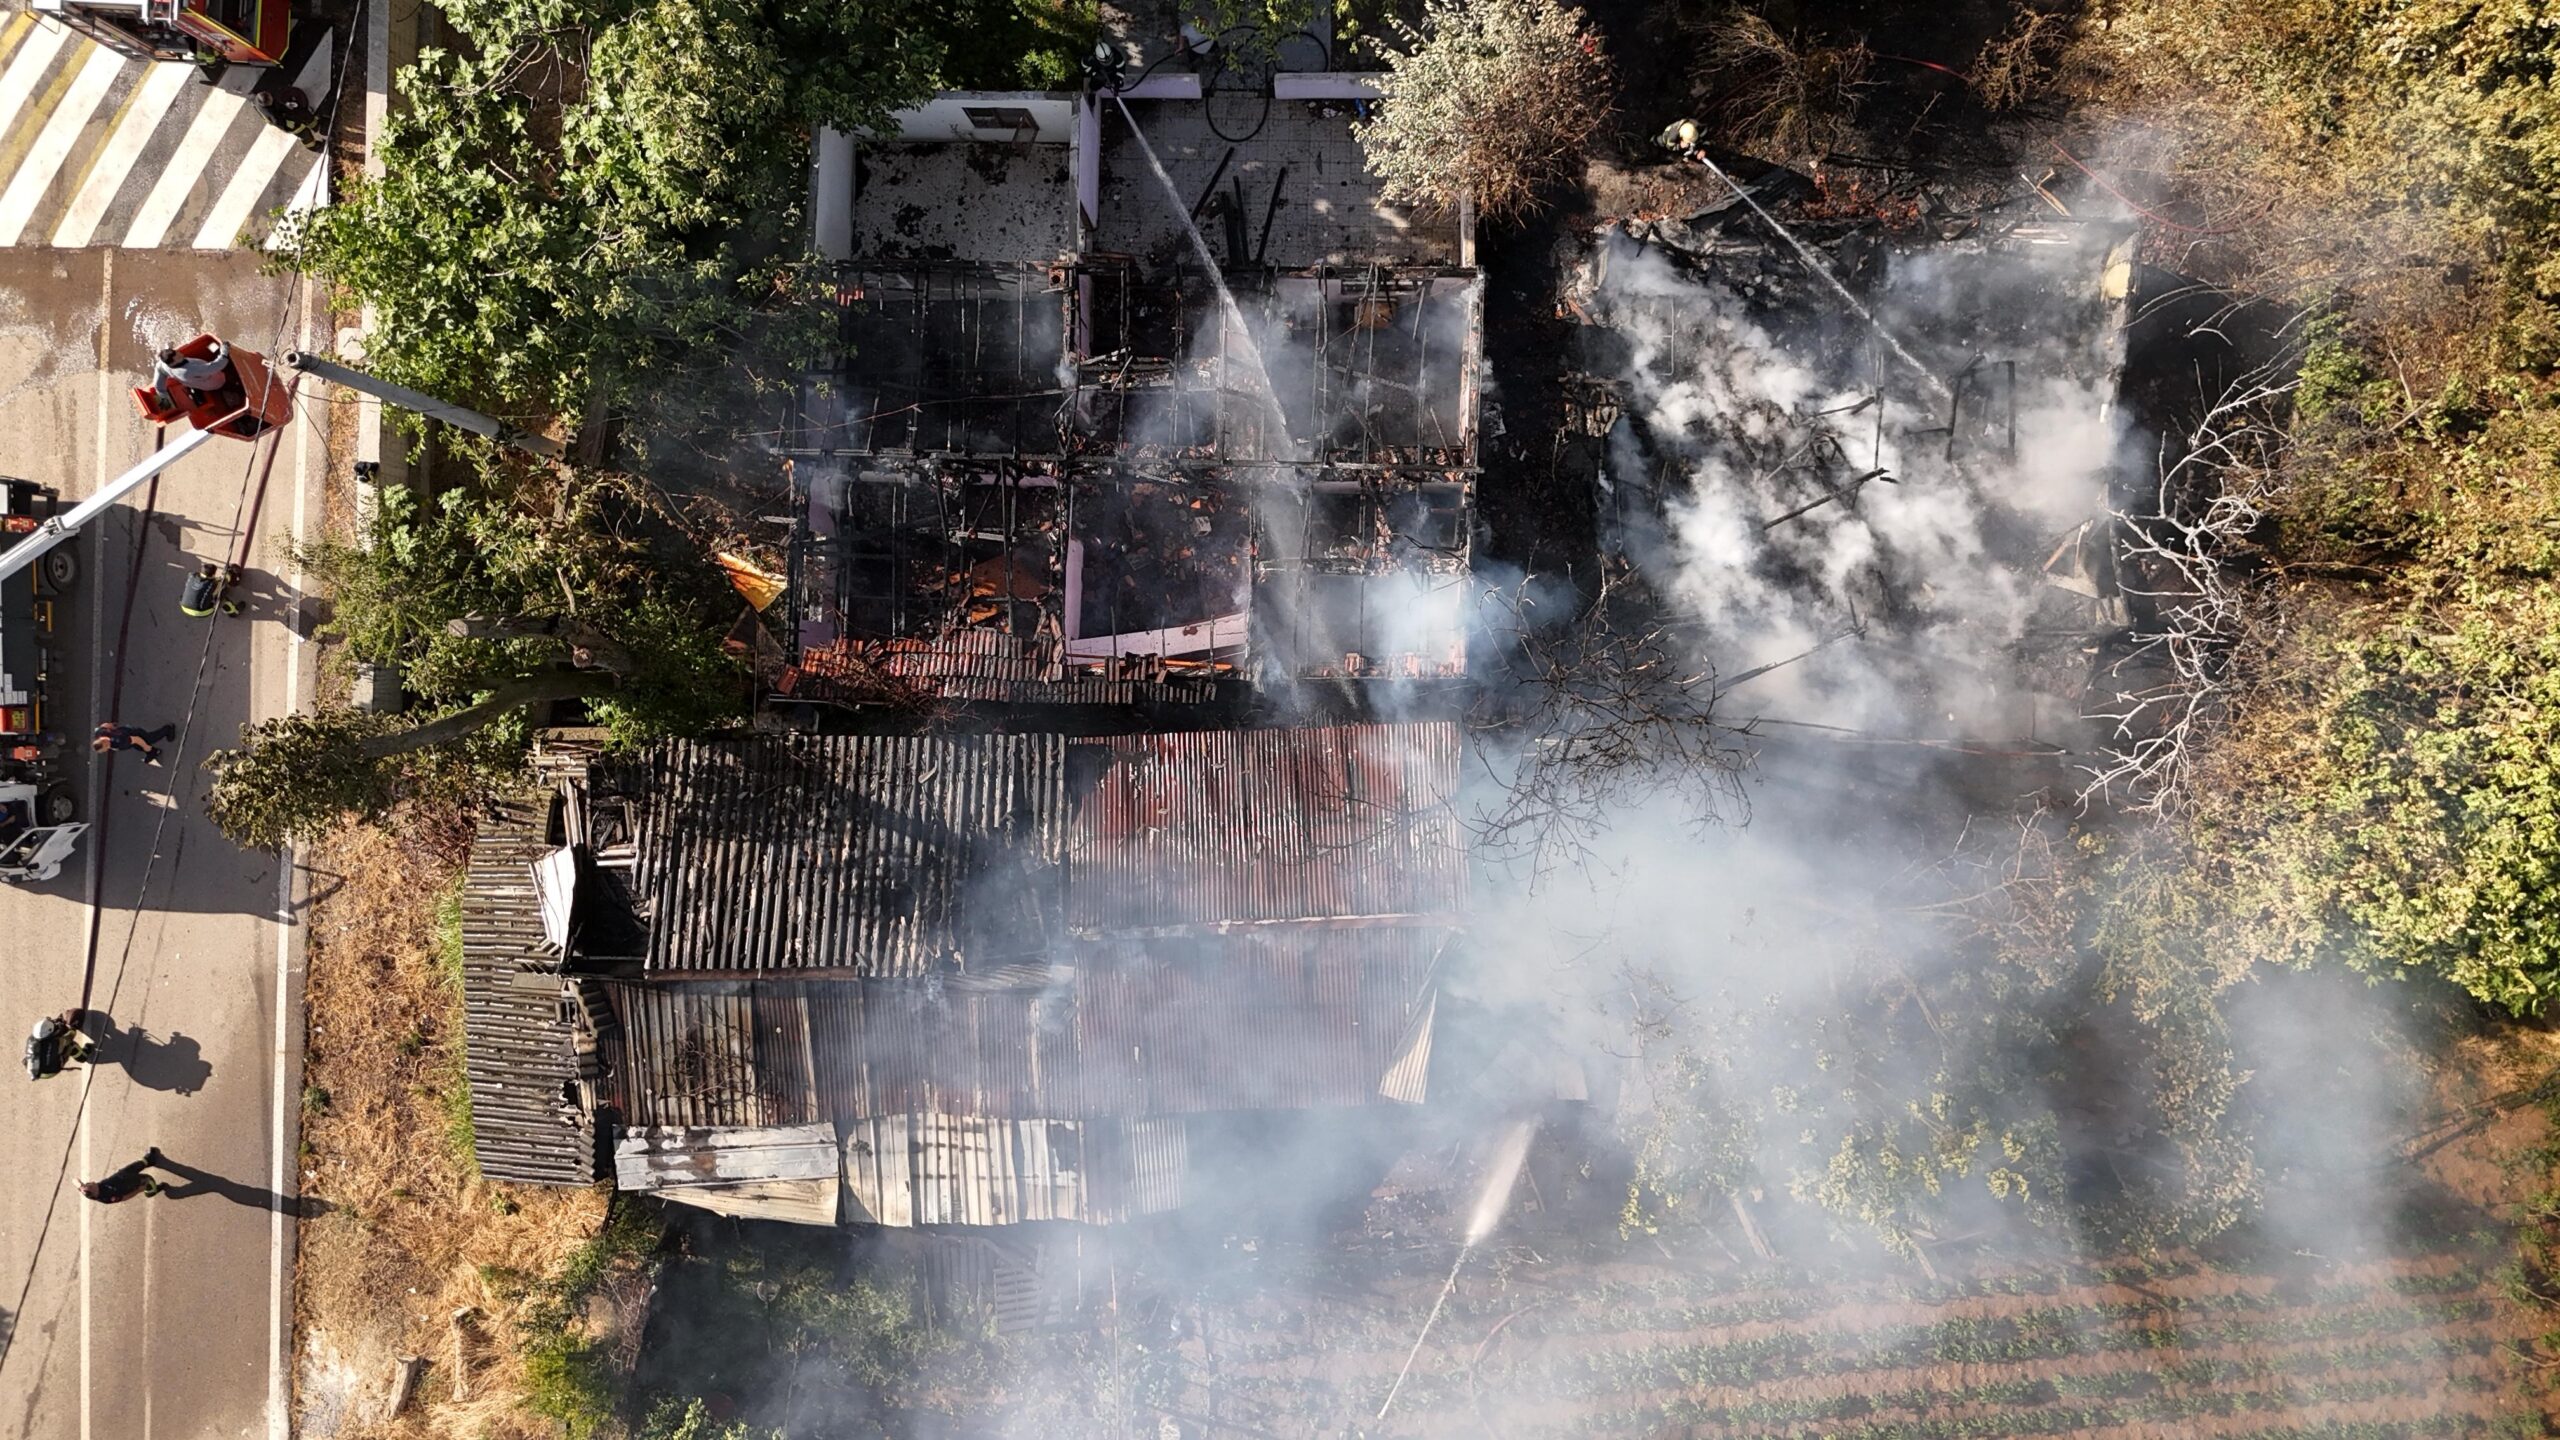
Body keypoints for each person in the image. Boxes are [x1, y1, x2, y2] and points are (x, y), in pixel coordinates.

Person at [24, 1009, 93, 1080]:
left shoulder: (31, 1039)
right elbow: (70, 1036)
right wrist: (72, 1027)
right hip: (50, 1072)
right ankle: (83, 1056)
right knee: (71, 1046)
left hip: (37, 1072)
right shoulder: (55, 1044)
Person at [80, 1149, 166, 1204]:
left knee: (138, 1164)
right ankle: (151, 1192)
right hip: (130, 1184)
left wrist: (81, 1186)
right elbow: (125, 1197)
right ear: (94, 1193)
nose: (91, 1182)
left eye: (88, 1183)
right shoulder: (107, 1197)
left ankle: (150, 1160)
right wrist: (139, 1190)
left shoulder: (90, 1191)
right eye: (90, 1185)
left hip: (121, 1175)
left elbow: (75, 1181)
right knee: (148, 1179)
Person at [91, 721, 172, 766]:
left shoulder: (118, 741)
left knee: (150, 739)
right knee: (138, 747)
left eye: (105, 748)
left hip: (135, 734)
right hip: (127, 733)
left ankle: (167, 729)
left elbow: (136, 739)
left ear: (105, 742)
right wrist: (113, 726)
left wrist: (146, 747)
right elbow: (105, 725)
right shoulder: (99, 733)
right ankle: (152, 752)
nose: (106, 750)